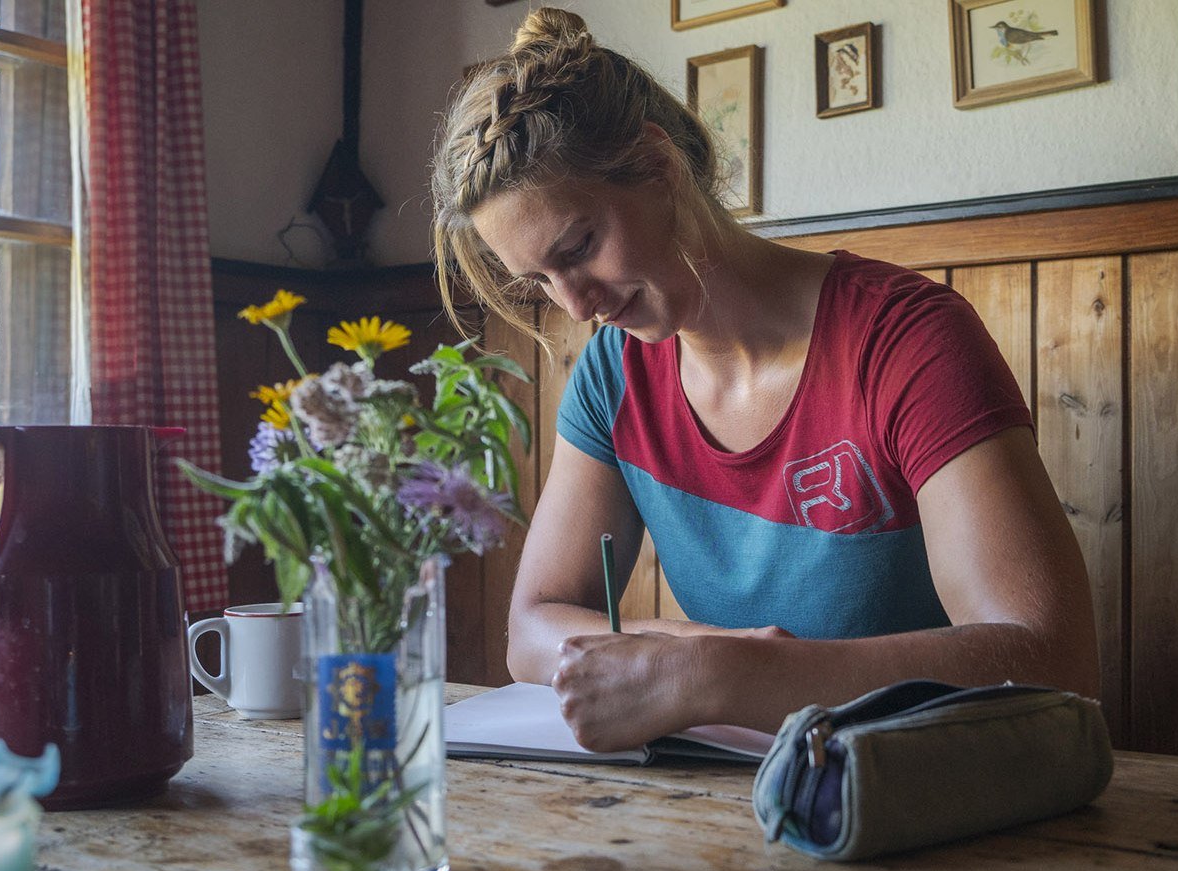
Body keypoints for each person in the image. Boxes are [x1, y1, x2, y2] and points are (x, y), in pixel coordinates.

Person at [429, 9, 1099, 752]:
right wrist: (698, 656)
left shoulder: (905, 340)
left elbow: (1051, 660)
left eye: (580, 246)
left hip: (930, 788)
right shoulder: (612, 376)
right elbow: (532, 628)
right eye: (540, 283)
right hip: (736, 796)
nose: (576, 305)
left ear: (658, 164)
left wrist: (729, 674)